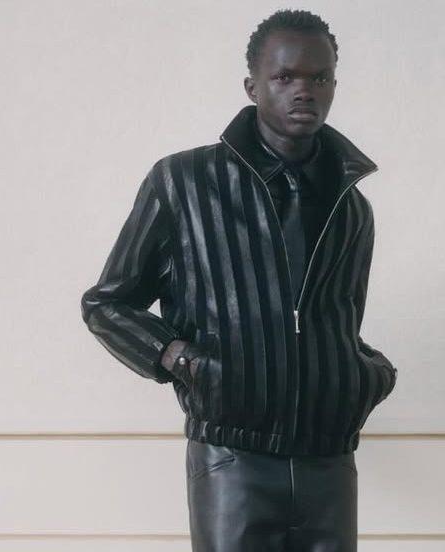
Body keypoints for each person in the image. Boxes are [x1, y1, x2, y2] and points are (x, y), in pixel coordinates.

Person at [80, 9, 396, 551]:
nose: (304, 90)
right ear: (253, 86)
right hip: (232, 454)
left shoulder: (351, 206)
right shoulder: (183, 182)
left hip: (328, 456)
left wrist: (366, 375)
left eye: (319, 77)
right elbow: (107, 303)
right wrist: (181, 359)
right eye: (285, 76)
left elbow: (341, 318)